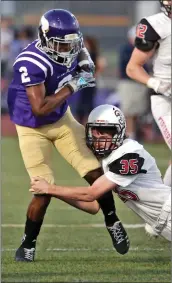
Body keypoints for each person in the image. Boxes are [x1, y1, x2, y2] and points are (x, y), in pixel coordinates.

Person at [8, 9, 129, 262]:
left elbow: (80, 46)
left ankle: (112, 221)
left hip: (62, 120)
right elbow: (39, 108)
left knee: (96, 172)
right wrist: (74, 84)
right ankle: (28, 243)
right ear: (45, 40)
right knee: (42, 191)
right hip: (32, 128)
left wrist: (85, 61)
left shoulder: (70, 43)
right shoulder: (31, 62)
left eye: (70, 44)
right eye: (61, 45)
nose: (67, 50)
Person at [30, 104, 171, 242]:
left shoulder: (130, 154)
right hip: (163, 223)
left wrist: (49, 188)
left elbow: (91, 194)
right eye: (96, 131)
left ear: (118, 132)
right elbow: (93, 206)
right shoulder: (108, 158)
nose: (99, 137)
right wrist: (52, 191)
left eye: (105, 131)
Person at [126, 0, 171, 237]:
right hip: (166, 100)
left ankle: (160, 213)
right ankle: (162, 215)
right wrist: (156, 83)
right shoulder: (155, 25)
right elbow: (133, 67)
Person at [118, 26, 148, 140]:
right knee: (128, 111)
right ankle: (130, 135)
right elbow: (130, 67)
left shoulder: (142, 49)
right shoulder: (126, 49)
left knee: (136, 111)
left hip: (139, 83)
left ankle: (133, 133)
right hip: (129, 83)